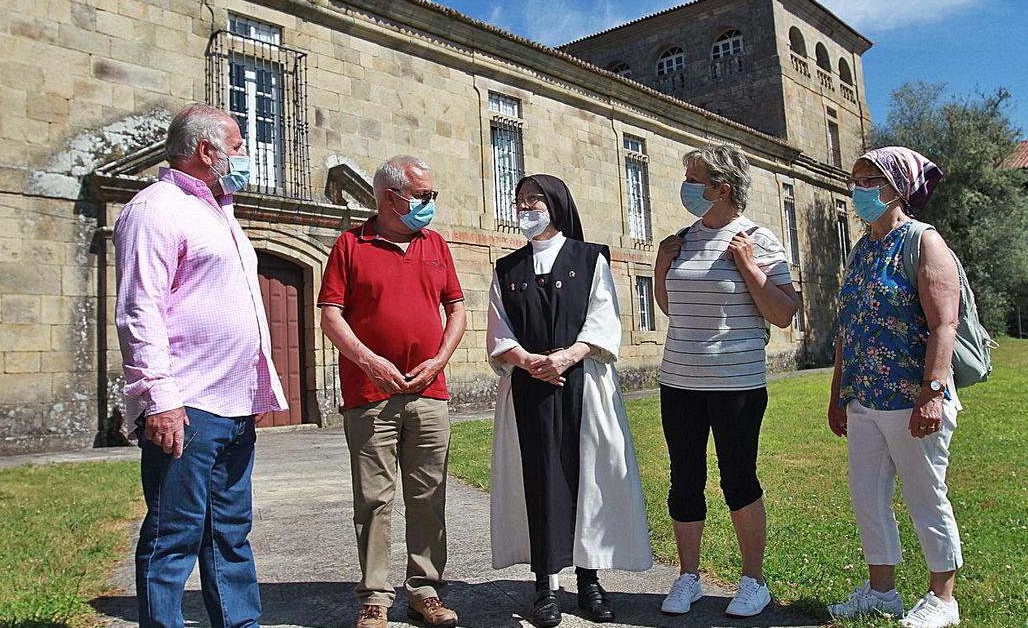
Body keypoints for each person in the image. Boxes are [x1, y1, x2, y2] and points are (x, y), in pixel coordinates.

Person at [114, 102, 289, 628]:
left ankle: (240, 623)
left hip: (231, 408)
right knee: (173, 536)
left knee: (229, 533)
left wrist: (253, 392)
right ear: (206, 150)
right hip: (185, 407)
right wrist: (159, 400)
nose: (245, 154)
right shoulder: (156, 209)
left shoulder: (221, 210)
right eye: (237, 146)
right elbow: (138, 309)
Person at [487, 174, 652, 627]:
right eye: (520, 201)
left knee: (588, 479)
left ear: (556, 204)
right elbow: (499, 331)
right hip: (528, 388)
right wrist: (526, 359)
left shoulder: (589, 258)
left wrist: (567, 356)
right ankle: (543, 585)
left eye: (534, 199)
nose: (525, 208)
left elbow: (603, 319)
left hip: (583, 384)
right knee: (539, 481)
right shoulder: (507, 269)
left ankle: (589, 581)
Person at [317, 156, 466, 628]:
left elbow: (457, 310)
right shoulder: (350, 245)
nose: (430, 204)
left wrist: (440, 361)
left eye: (431, 195)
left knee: (429, 494)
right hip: (369, 393)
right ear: (389, 197)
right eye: (423, 196)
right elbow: (331, 315)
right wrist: (370, 361)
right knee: (375, 499)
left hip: (429, 391)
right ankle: (375, 596)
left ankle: (426, 590)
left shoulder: (436, 244)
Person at [653, 145, 799, 619]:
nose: (687, 188)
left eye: (695, 179)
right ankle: (687, 577)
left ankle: (753, 581)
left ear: (723, 189)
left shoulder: (759, 239)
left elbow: (782, 313)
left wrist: (750, 266)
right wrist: (660, 265)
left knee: (738, 479)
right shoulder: (681, 239)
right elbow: (673, 308)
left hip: (736, 384)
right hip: (679, 382)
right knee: (684, 481)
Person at [826, 146, 964, 628]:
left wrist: (932, 392)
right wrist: (838, 393)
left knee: (925, 493)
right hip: (864, 397)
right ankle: (881, 591)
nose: (858, 190)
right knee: (867, 495)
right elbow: (849, 326)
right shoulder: (861, 249)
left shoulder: (922, 242)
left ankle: (943, 598)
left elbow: (944, 323)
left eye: (869, 180)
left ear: (897, 187)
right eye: (856, 180)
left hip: (911, 398)